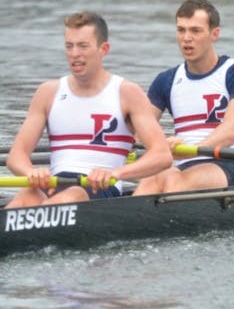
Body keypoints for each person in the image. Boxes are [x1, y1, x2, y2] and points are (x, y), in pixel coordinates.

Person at [5, 12, 172, 208]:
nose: (75, 54)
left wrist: (115, 173)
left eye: (83, 46)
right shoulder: (47, 93)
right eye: (69, 46)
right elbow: (16, 157)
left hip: (102, 188)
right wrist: (30, 172)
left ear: (104, 49)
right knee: (28, 195)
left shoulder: (127, 93)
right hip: (56, 183)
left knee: (73, 194)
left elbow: (162, 155)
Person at [133, 0, 234, 195]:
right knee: (149, 181)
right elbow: (140, 133)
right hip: (183, 165)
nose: (186, 38)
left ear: (214, 34)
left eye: (195, 31)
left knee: (173, 181)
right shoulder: (166, 80)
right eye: (181, 30)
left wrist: (188, 148)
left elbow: (233, 129)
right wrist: (161, 144)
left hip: (228, 165)